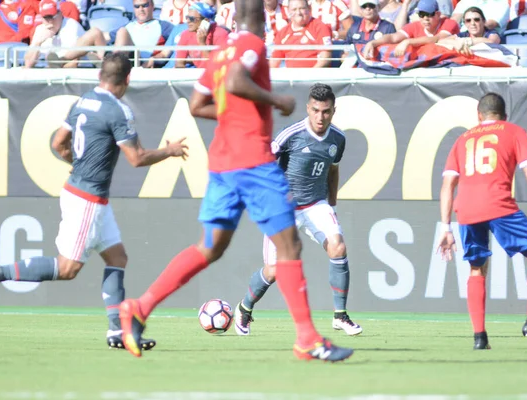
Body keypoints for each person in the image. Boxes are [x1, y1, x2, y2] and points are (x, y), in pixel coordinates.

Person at [118, 0, 353, 363]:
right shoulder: (252, 44)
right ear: (255, 16)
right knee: (289, 247)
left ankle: (138, 307)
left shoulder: (219, 53)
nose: (268, 20)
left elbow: (197, 104)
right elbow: (235, 81)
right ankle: (306, 337)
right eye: (264, 13)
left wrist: (233, 112)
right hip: (253, 162)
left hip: (222, 163)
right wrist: (274, 100)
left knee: (209, 248)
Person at [0, 53, 190, 351]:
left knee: (118, 258)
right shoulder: (118, 110)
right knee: (67, 268)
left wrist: (76, 163)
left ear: (100, 76)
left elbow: (57, 143)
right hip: (87, 199)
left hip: (87, 195)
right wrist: (168, 151)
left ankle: (116, 331)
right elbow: (136, 158)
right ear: (128, 79)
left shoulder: (82, 101)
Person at [437, 92, 527, 350]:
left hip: (467, 210)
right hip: (498, 204)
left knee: (476, 268)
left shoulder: (462, 139)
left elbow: (448, 185)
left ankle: (479, 338)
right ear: (504, 116)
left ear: (478, 115)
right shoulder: (514, 131)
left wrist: (445, 226)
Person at [234, 83, 362, 337]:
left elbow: (333, 171)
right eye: (315, 110)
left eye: (326, 111)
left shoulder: (338, 139)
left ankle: (340, 316)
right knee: (275, 271)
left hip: (315, 203)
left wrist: (331, 205)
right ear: (308, 108)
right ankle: (245, 308)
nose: (320, 117)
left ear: (333, 111)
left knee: (338, 246)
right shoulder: (289, 135)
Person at [362, 0, 459, 58]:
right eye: (422, 15)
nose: (425, 18)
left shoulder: (449, 23)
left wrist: (408, 42)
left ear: (438, 14)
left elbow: (436, 39)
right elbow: (393, 37)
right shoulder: (415, 25)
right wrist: (372, 43)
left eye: (430, 14)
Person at [270, 0, 333, 68]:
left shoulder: (320, 27)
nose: (298, 12)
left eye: (302, 8)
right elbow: (275, 61)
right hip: (290, 77)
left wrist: (310, 75)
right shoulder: (283, 33)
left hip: (315, 76)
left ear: (309, 8)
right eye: (294, 9)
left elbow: (326, 57)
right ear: (288, 11)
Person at [24, 0, 86, 68]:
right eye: (46, 18)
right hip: (47, 72)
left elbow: (73, 63)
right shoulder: (40, 30)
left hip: (75, 73)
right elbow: (28, 65)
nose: (49, 21)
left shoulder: (71, 26)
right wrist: (37, 43)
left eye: (52, 17)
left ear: (60, 14)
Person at [175, 2, 228, 68]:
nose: (188, 21)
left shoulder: (220, 34)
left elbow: (215, 66)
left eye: (192, 19)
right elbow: (179, 63)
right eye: (187, 17)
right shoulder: (186, 34)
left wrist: (202, 44)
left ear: (205, 21)